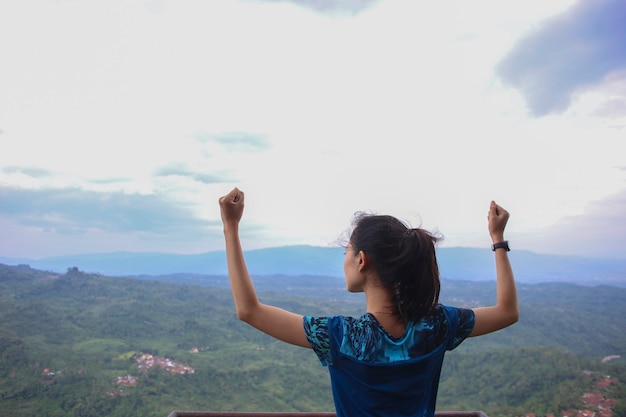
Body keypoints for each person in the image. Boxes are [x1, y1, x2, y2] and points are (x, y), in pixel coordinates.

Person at [219, 187, 518, 417]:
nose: (344, 261)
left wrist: (230, 227)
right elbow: (507, 312)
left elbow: (249, 310)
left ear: (361, 260)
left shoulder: (341, 337)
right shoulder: (437, 325)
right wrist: (498, 238)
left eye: (346, 253)